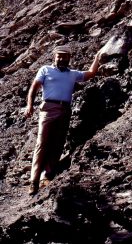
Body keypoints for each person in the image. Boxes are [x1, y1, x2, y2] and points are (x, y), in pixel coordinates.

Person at [25, 45, 100, 195]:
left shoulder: (72, 74)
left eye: (65, 57)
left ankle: (46, 176)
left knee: (58, 143)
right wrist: (29, 105)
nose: (62, 59)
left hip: (65, 110)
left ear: (69, 58)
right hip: (48, 108)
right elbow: (34, 87)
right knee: (42, 143)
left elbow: (91, 74)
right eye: (59, 56)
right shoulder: (45, 69)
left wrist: (97, 57)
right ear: (54, 57)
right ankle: (33, 181)